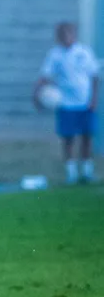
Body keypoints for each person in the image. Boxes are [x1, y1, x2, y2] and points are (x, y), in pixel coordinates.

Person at [34, 22, 99, 185]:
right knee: (68, 139)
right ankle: (71, 174)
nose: (66, 37)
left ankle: (87, 172)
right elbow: (45, 76)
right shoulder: (55, 55)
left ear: (74, 34)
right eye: (62, 35)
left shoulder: (84, 52)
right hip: (66, 104)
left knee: (87, 138)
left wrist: (94, 99)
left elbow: (94, 76)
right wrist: (36, 94)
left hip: (85, 103)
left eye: (68, 33)